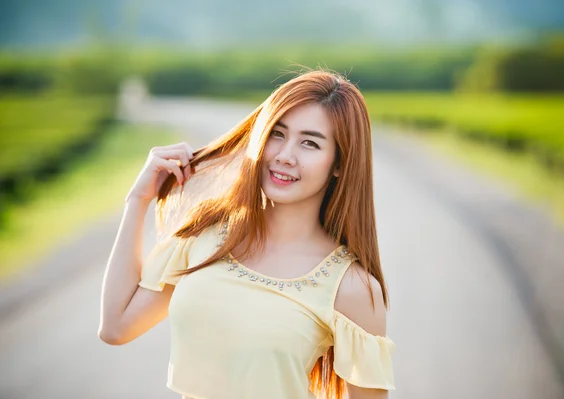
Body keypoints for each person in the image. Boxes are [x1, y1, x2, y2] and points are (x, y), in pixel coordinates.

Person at [98, 70, 396, 399]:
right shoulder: (205, 235)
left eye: (310, 142)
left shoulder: (351, 288)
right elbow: (116, 326)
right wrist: (136, 201)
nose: (284, 155)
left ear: (339, 163)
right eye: (277, 134)